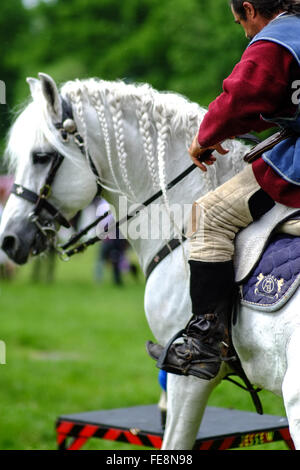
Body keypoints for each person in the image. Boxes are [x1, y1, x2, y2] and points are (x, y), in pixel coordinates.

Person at [147, 0, 300, 380]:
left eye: (239, 23)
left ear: (250, 9)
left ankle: (205, 342)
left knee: (208, 214)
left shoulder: (274, 42)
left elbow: (241, 98)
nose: (246, 32)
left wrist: (206, 136)